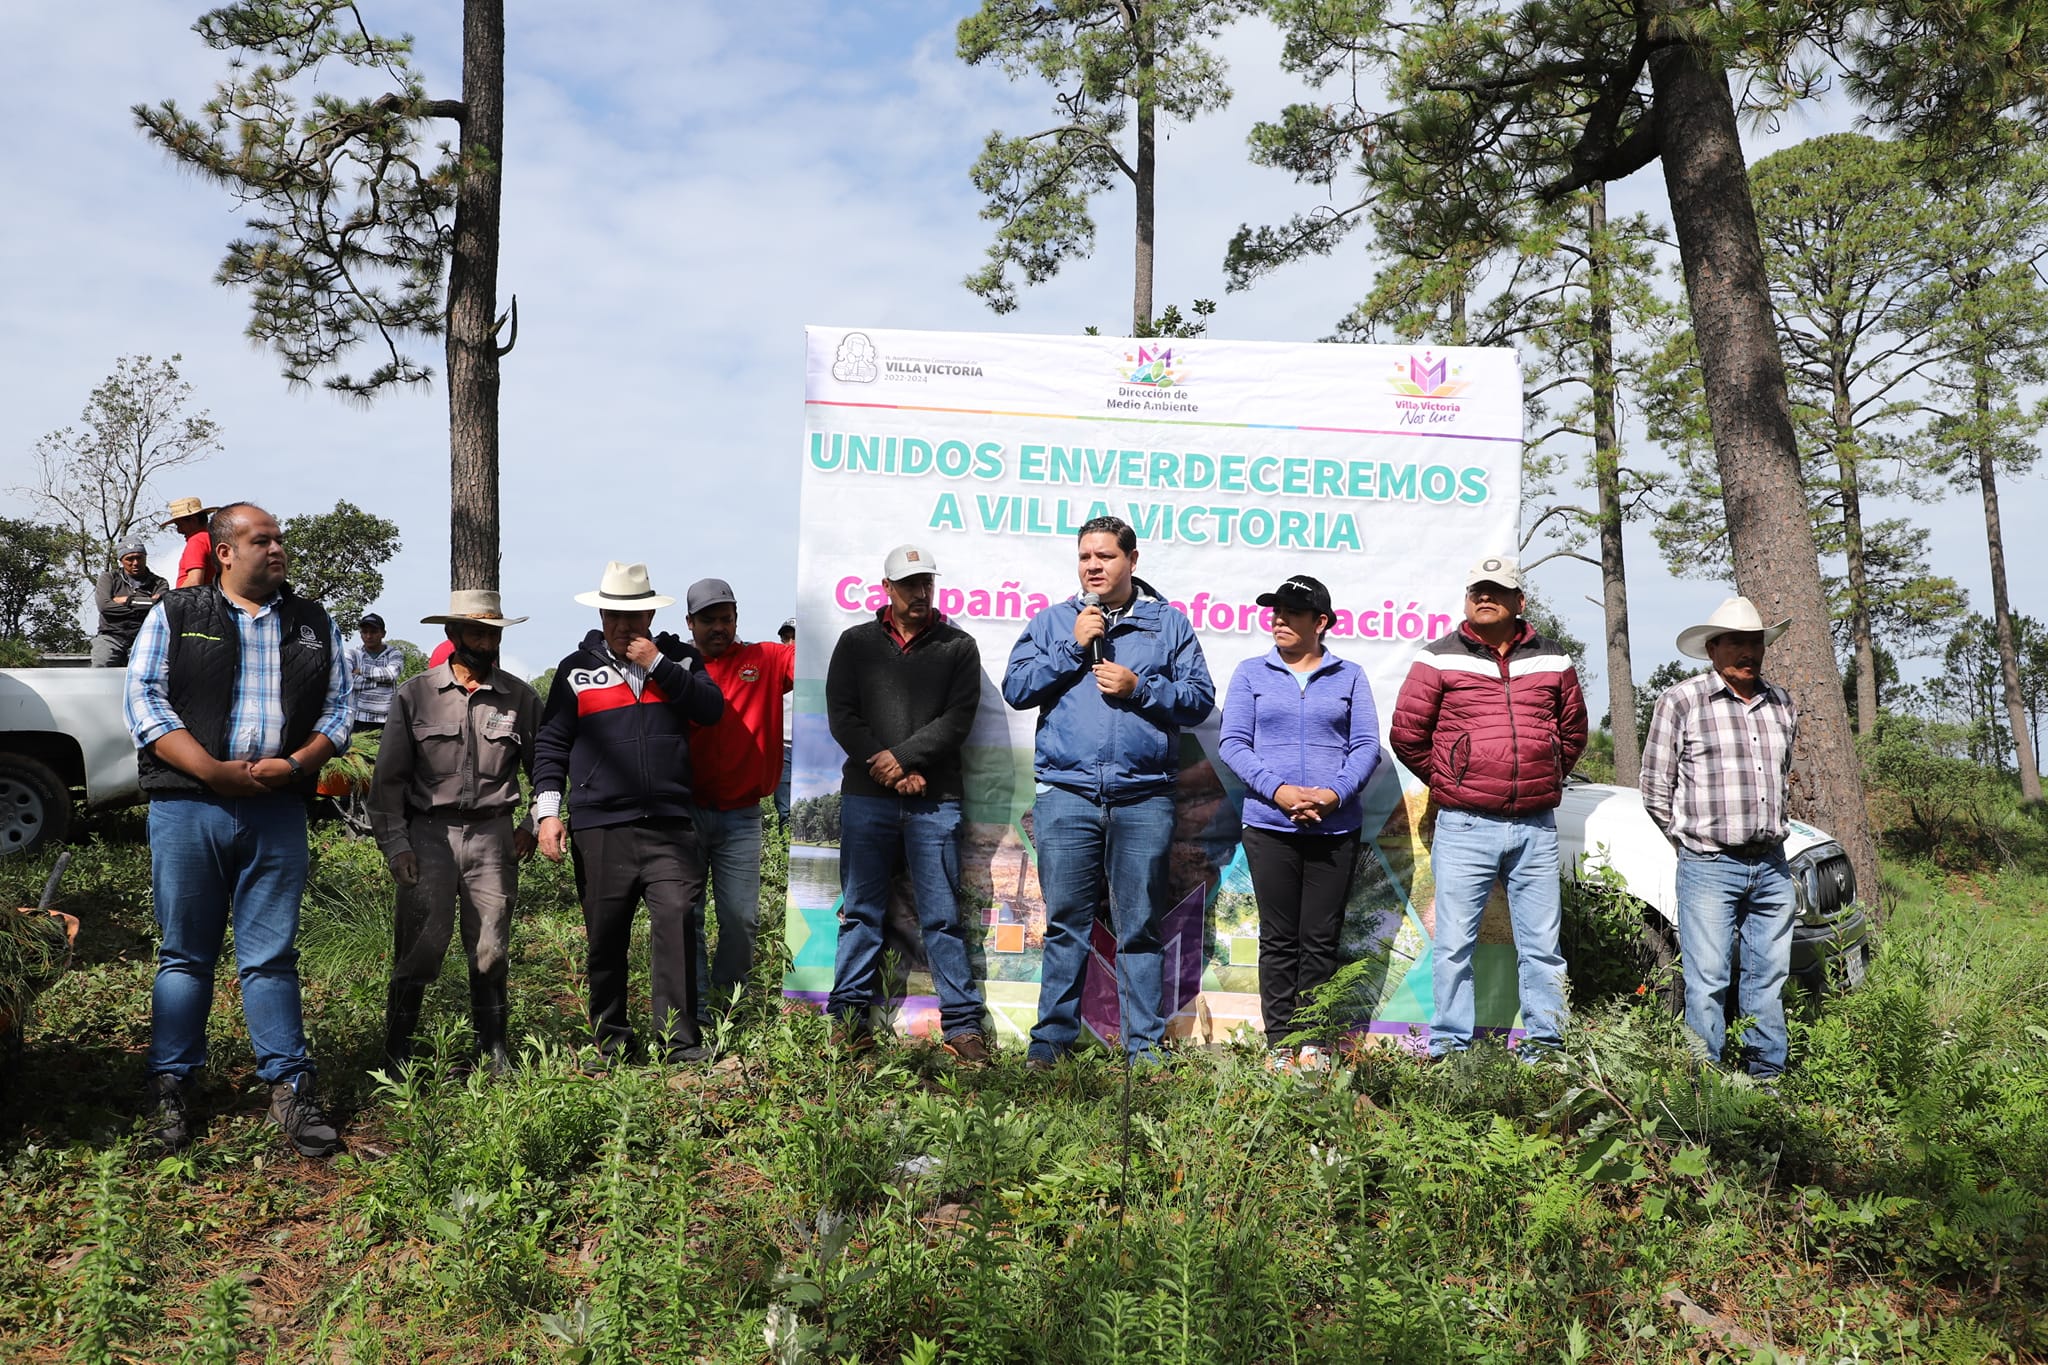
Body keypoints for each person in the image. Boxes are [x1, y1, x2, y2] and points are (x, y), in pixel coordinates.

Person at [123, 502, 354, 1156]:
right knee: (184, 954)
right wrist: (211, 771)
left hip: (277, 811)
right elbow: (143, 701)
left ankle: (289, 1089)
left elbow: (339, 712)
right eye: (262, 539)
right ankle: (170, 1089)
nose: (277, 549)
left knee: (271, 956)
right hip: (188, 807)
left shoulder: (313, 624)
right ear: (224, 551)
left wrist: (297, 762)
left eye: (280, 538)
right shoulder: (177, 613)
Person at [1003, 515, 1215, 1068]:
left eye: (1106, 557)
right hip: (1067, 796)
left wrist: (1140, 687)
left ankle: (1142, 1051)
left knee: (1139, 926)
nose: (1094, 566)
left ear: (1132, 561)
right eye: (1085, 557)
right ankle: (1050, 1046)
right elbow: (1017, 689)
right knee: (1065, 924)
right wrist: (1072, 650)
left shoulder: (1167, 625)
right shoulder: (1054, 622)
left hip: (1143, 798)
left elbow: (1197, 700)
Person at [1390, 554, 1588, 1058]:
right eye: (1477, 589)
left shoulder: (1553, 659)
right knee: (1454, 946)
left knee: (1543, 949)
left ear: (1519, 603)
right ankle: (1449, 1049)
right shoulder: (1437, 658)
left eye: (1496, 591)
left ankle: (1545, 1049)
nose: (1484, 597)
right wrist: (1454, 783)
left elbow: (1573, 733)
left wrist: (1541, 776)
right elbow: (1407, 736)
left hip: (1536, 827)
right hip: (1464, 824)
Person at [532, 562, 724, 1062]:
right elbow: (552, 742)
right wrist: (547, 812)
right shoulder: (575, 668)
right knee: (605, 937)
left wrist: (658, 662)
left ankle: (678, 1041)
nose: (623, 625)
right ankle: (612, 1041)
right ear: (601, 612)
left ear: (648, 614)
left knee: (678, 923)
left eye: (633, 614)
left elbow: (711, 710)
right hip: (600, 826)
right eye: (614, 614)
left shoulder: (680, 659)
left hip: (670, 823)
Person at [825, 544, 989, 1060]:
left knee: (940, 916)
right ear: (887, 588)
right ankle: (850, 1022)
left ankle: (963, 1027)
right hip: (868, 798)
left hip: (934, 800)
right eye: (910, 584)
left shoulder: (958, 647)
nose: (921, 593)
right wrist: (889, 765)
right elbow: (842, 715)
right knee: (861, 913)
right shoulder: (855, 644)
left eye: (927, 584)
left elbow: (958, 720)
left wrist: (899, 760)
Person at [368, 591, 541, 1076]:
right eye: (478, 632)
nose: (487, 642)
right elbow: (388, 781)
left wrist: (531, 823)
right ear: (453, 635)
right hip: (429, 835)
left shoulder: (520, 698)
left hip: (492, 838)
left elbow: (548, 768)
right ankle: (397, 1054)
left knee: (491, 947)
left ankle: (494, 1052)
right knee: (420, 947)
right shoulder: (414, 694)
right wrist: (396, 844)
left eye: (494, 633)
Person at [1216, 575, 1382, 1061]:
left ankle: (1314, 1043)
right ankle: (1281, 1047)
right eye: (1275, 610)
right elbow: (1232, 743)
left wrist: (1333, 794)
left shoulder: (1349, 675)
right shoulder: (1251, 673)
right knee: (1280, 939)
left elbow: (1367, 745)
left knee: (1320, 939)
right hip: (1269, 826)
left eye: (1292, 612)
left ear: (1321, 622)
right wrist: (1281, 791)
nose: (1279, 619)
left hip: (1336, 828)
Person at [1639, 597, 1800, 1080]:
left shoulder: (1783, 704)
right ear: (1712, 649)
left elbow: (1782, 776)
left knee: (1767, 980)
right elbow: (1654, 787)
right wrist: (1692, 843)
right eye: (1736, 642)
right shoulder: (1681, 701)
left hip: (1771, 864)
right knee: (1707, 980)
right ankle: (1705, 1085)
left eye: (1754, 642)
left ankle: (1766, 1078)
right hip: (1708, 865)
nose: (1747, 652)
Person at [682, 577, 795, 1018]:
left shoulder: (764, 658)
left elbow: (821, 653)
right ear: (689, 622)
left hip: (743, 815)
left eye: (726, 618)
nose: (718, 628)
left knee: (740, 920)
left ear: (736, 619)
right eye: (708, 620)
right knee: (685, 917)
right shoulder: (676, 664)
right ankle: (693, 1008)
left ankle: (729, 1008)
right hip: (684, 814)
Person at [91, 538, 169, 667]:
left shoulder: (159, 583)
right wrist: (145, 603)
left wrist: (126, 601)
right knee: (101, 666)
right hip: (111, 635)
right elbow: (105, 606)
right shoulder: (109, 578)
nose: (135, 563)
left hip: (145, 636)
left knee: (149, 669)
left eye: (139, 557)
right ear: (121, 560)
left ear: (145, 557)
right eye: (129, 559)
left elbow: (160, 608)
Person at [346, 613, 404, 732]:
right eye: (364, 632)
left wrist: (362, 670)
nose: (368, 636)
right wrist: (377, 682)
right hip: (358, 718)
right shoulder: (352, 654)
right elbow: (347, 680)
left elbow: (391, 674)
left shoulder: (394, 654)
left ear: (383, 633)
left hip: (386, 720)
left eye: (373, 632)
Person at [161, 496, 220, 589]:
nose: (179, 530)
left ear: (193, 520)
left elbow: (194, 581)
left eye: (180, 525)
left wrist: (171, 599)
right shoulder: (215, 539)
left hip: (194, 601)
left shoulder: (197, 541)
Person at [776, 616, 797, 828]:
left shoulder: (818, 672)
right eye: (786, 637)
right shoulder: (774, 671)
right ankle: (783, 857)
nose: (790, 643)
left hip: (811, 751)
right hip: (783, 749)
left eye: (796, 638)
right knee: (785, 810)